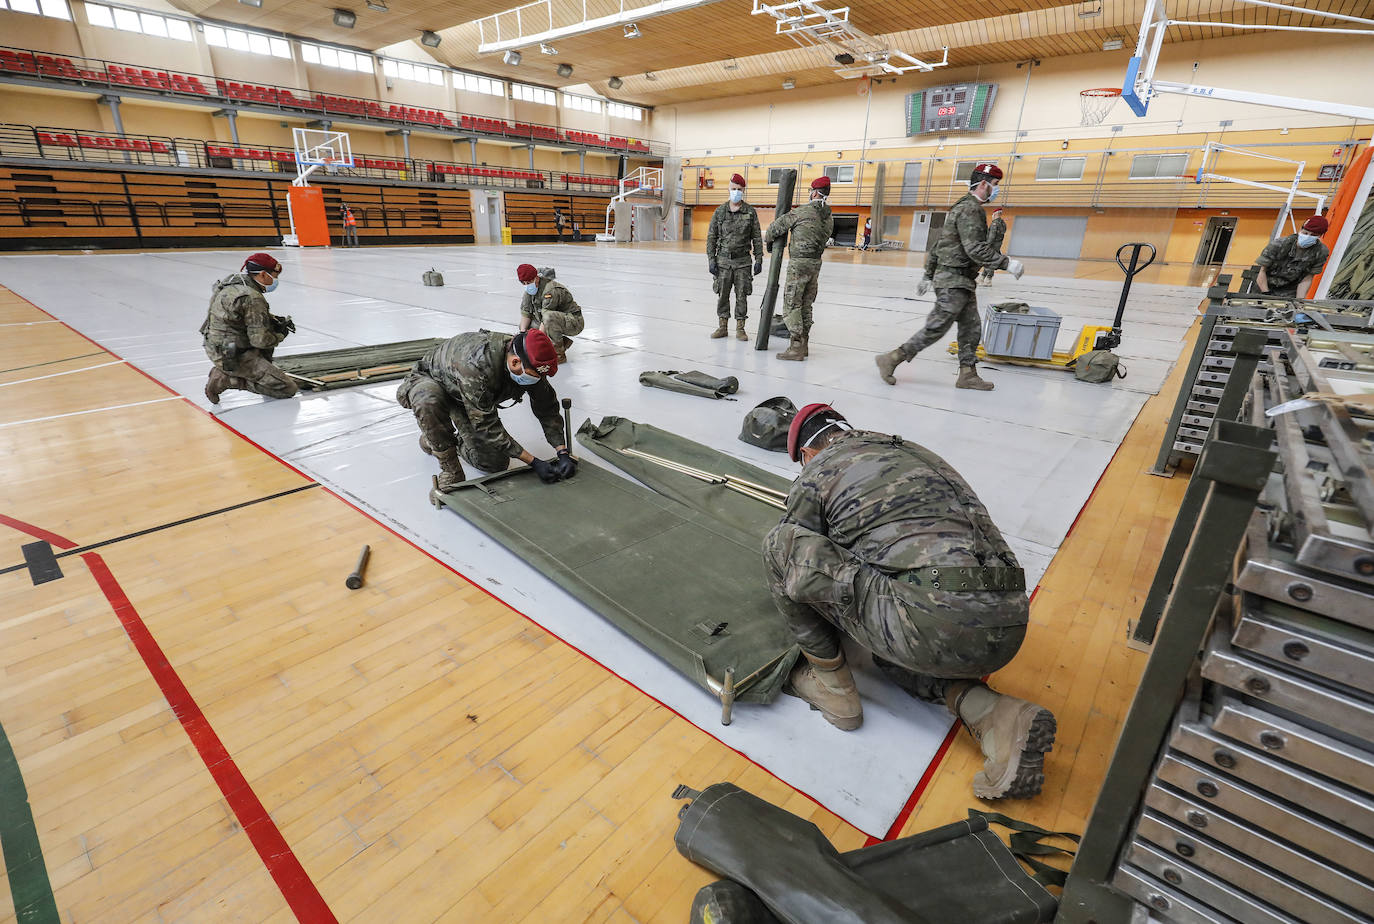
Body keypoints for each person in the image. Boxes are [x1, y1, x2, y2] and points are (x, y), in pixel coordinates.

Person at [763, 404, 1057, 800]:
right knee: (893, 633)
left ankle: (832, 685)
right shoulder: (909, 449)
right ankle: (992, 715)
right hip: (1010, 620)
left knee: (778, 547)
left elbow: (798, 547)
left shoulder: (818, 470)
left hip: (931, 620)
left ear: (807, 453)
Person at [874, 163, 1025, 391]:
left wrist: (927, 275)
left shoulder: (963, 207)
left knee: (971, 327)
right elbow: (974, 248)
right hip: (953, 280)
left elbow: (939, 245)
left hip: (962, 280)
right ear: (983, 184)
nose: (996, 190)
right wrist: (1007, 263)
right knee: (937, 327)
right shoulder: (970, 209)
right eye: (994, 185)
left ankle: (968, 374)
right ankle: (892, 358)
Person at [396, 328, 574, 492]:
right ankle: (449, 468)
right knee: (427, 400)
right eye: (535, 375)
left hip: (467, 395)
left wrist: (562, 451)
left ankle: (437, 440)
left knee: (494, 463)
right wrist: (533, 462)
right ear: (515, 362)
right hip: (435, 381)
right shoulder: (477, 365)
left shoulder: (530, 363)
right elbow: (487, 424)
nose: (538, 379)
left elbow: (547, 407)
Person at [201, 251, 298, 404]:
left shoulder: (232, 283)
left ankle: (241, 371)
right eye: (274, 276)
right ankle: (226, 379)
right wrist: (281, 334)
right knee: (287, 389)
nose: (275, 280)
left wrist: (271, 319)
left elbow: (235, 316)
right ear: (263, 275)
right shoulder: (252, 297)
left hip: (218, 346)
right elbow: (260, 341)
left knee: (269, 328)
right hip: (232, 355)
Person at [765, 175, 834, 361]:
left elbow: (774, 228)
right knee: (806, 304)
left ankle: (796, 346)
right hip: (815, 265)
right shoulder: (829, 218)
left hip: (798, 264)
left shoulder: (801, 212)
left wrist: (768, 243)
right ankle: (804, 343)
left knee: (791, 304)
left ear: (814, 193)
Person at [706, 172, 765, 341]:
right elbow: (711, 237)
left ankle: (740, 328)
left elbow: (756, 238)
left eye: (739, 189)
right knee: (723, 295)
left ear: (743, 191)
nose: (736, 192)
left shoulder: (750, 212)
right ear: (729, 189)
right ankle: (722, 327)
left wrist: (759, 259)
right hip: (723, 261)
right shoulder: (720, 212)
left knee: (742, 296)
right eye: (733, 189)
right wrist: (711, 259)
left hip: (743, 262)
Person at [517, 263, 584, 364]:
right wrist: (522, 336)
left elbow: (546, 320)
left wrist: (536, 344)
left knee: (548, 318)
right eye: (524, 283)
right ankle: (562, 342)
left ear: (536, 278)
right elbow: (526, 314)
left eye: (529, 282)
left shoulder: (550, 290)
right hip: (556, 321)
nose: (527, 286)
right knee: (527, 327)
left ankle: (558, 355)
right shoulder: (529, 291)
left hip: (574, 322)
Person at [1253, 215, 1330, 298]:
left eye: (1313, 235)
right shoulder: (1279, 245)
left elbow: (1306, 279)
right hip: (1264, 288)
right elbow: (1262, 272)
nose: (1308, 236)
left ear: (1320, 236)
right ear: (1300, 230)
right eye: (1305, 233)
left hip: (1289, 292)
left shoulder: (1320, 252)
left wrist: (1299, 301)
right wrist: (1266, 294)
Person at [980, 208, 1007, 283]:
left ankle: (988, 278)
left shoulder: (994, 224)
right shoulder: (1003, 223)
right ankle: (983, 277)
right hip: (998, 245)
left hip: (992, 246)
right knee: (992, 261)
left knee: (990, 262)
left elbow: (992, 236)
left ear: (995, 214)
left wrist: (987, 245)